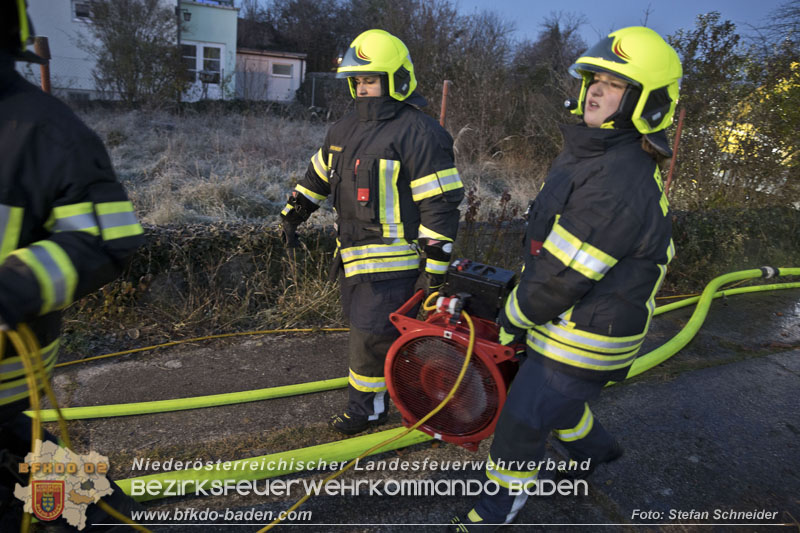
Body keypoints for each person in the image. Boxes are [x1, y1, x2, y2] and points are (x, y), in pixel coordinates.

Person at [449, 26, 682, 530]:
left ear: (648, 102)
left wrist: (513, 318)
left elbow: (563, 276)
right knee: (557, 399)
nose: (596, 89)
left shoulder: (618, 177)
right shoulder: (594, 154)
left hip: (586, 332)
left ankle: (492, 514)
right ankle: (599, 450)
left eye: (615, 84)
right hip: (570, 318)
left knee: (522, 419)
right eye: (595, 78)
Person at [0, 0, 146, 529]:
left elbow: (108, 236)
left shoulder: (42, 131)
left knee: (90, 518)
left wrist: (11, 288)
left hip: (6, 399)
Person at [280, 29, 463, 435]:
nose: (363, 88)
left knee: (369, 337)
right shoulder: (342, 131)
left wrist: (435, 266)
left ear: (397, 79)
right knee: (369, 334)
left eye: (371, 79)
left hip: (394, 264)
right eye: (357, 80)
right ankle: (393, 386)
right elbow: (319, 175)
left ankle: (367, 410)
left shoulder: (421, 133)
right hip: (353, 259)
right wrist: (293, 213)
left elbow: (439, 204)